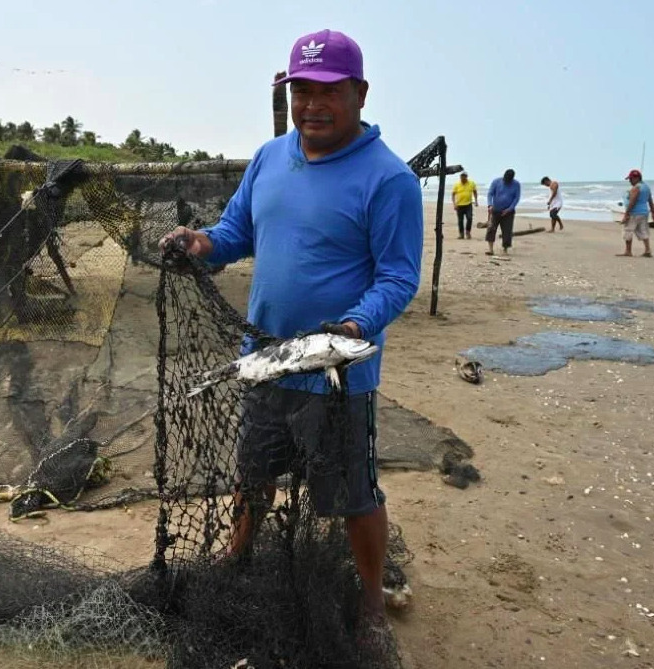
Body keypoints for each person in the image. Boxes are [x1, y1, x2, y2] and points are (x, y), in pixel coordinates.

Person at [159, 29, 423, 628]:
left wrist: (356, 324)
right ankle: (237, 558)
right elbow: (235, 233)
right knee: (253, 475)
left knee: (354, 496)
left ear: (360, 93)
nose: (312, 105)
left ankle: (371, 601)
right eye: (301, 90)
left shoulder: (389, 179)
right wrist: (200, 244)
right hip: (264, 362)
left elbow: (398, 277)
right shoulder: (269, 157)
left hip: (336, 377)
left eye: (328, 91)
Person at [619, 169, 654, 257]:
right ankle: (647, 250)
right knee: (643, 231)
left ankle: (628, 251)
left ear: (637, 178)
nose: (630, 181)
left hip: (634, 213)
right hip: (644, 213)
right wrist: (653, 212)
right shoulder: (646, 187)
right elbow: (650, 201)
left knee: (628, 230)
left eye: (631, 179)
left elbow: (632, 201)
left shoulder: (636, 188)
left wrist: (626, 214)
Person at [486, 169, 520, 255]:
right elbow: (490, 193)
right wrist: (490, 205)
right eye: (505, 179)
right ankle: (490, 249)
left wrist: (510, 209)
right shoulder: (496, 182)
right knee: (491, 229)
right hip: (495, 210)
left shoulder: (516, 184)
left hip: (509, 212)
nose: (507, 181)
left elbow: (516, 198)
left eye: (508, 180)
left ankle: (505, 249)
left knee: (507, 231)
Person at [452, 171, 478, 239]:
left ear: (466, 177)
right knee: (460, 220)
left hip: (468, 204)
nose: (463, 178)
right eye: (462, 177)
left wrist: (476, 201)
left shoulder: (471, 183)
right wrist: (454, 204)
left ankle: (468, 232)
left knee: (469, 218)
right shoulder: (457, 184)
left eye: (464, 176)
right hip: (459, 205)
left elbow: (475, 192)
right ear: (460, 177)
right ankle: (461, 234)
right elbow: (453, 194)